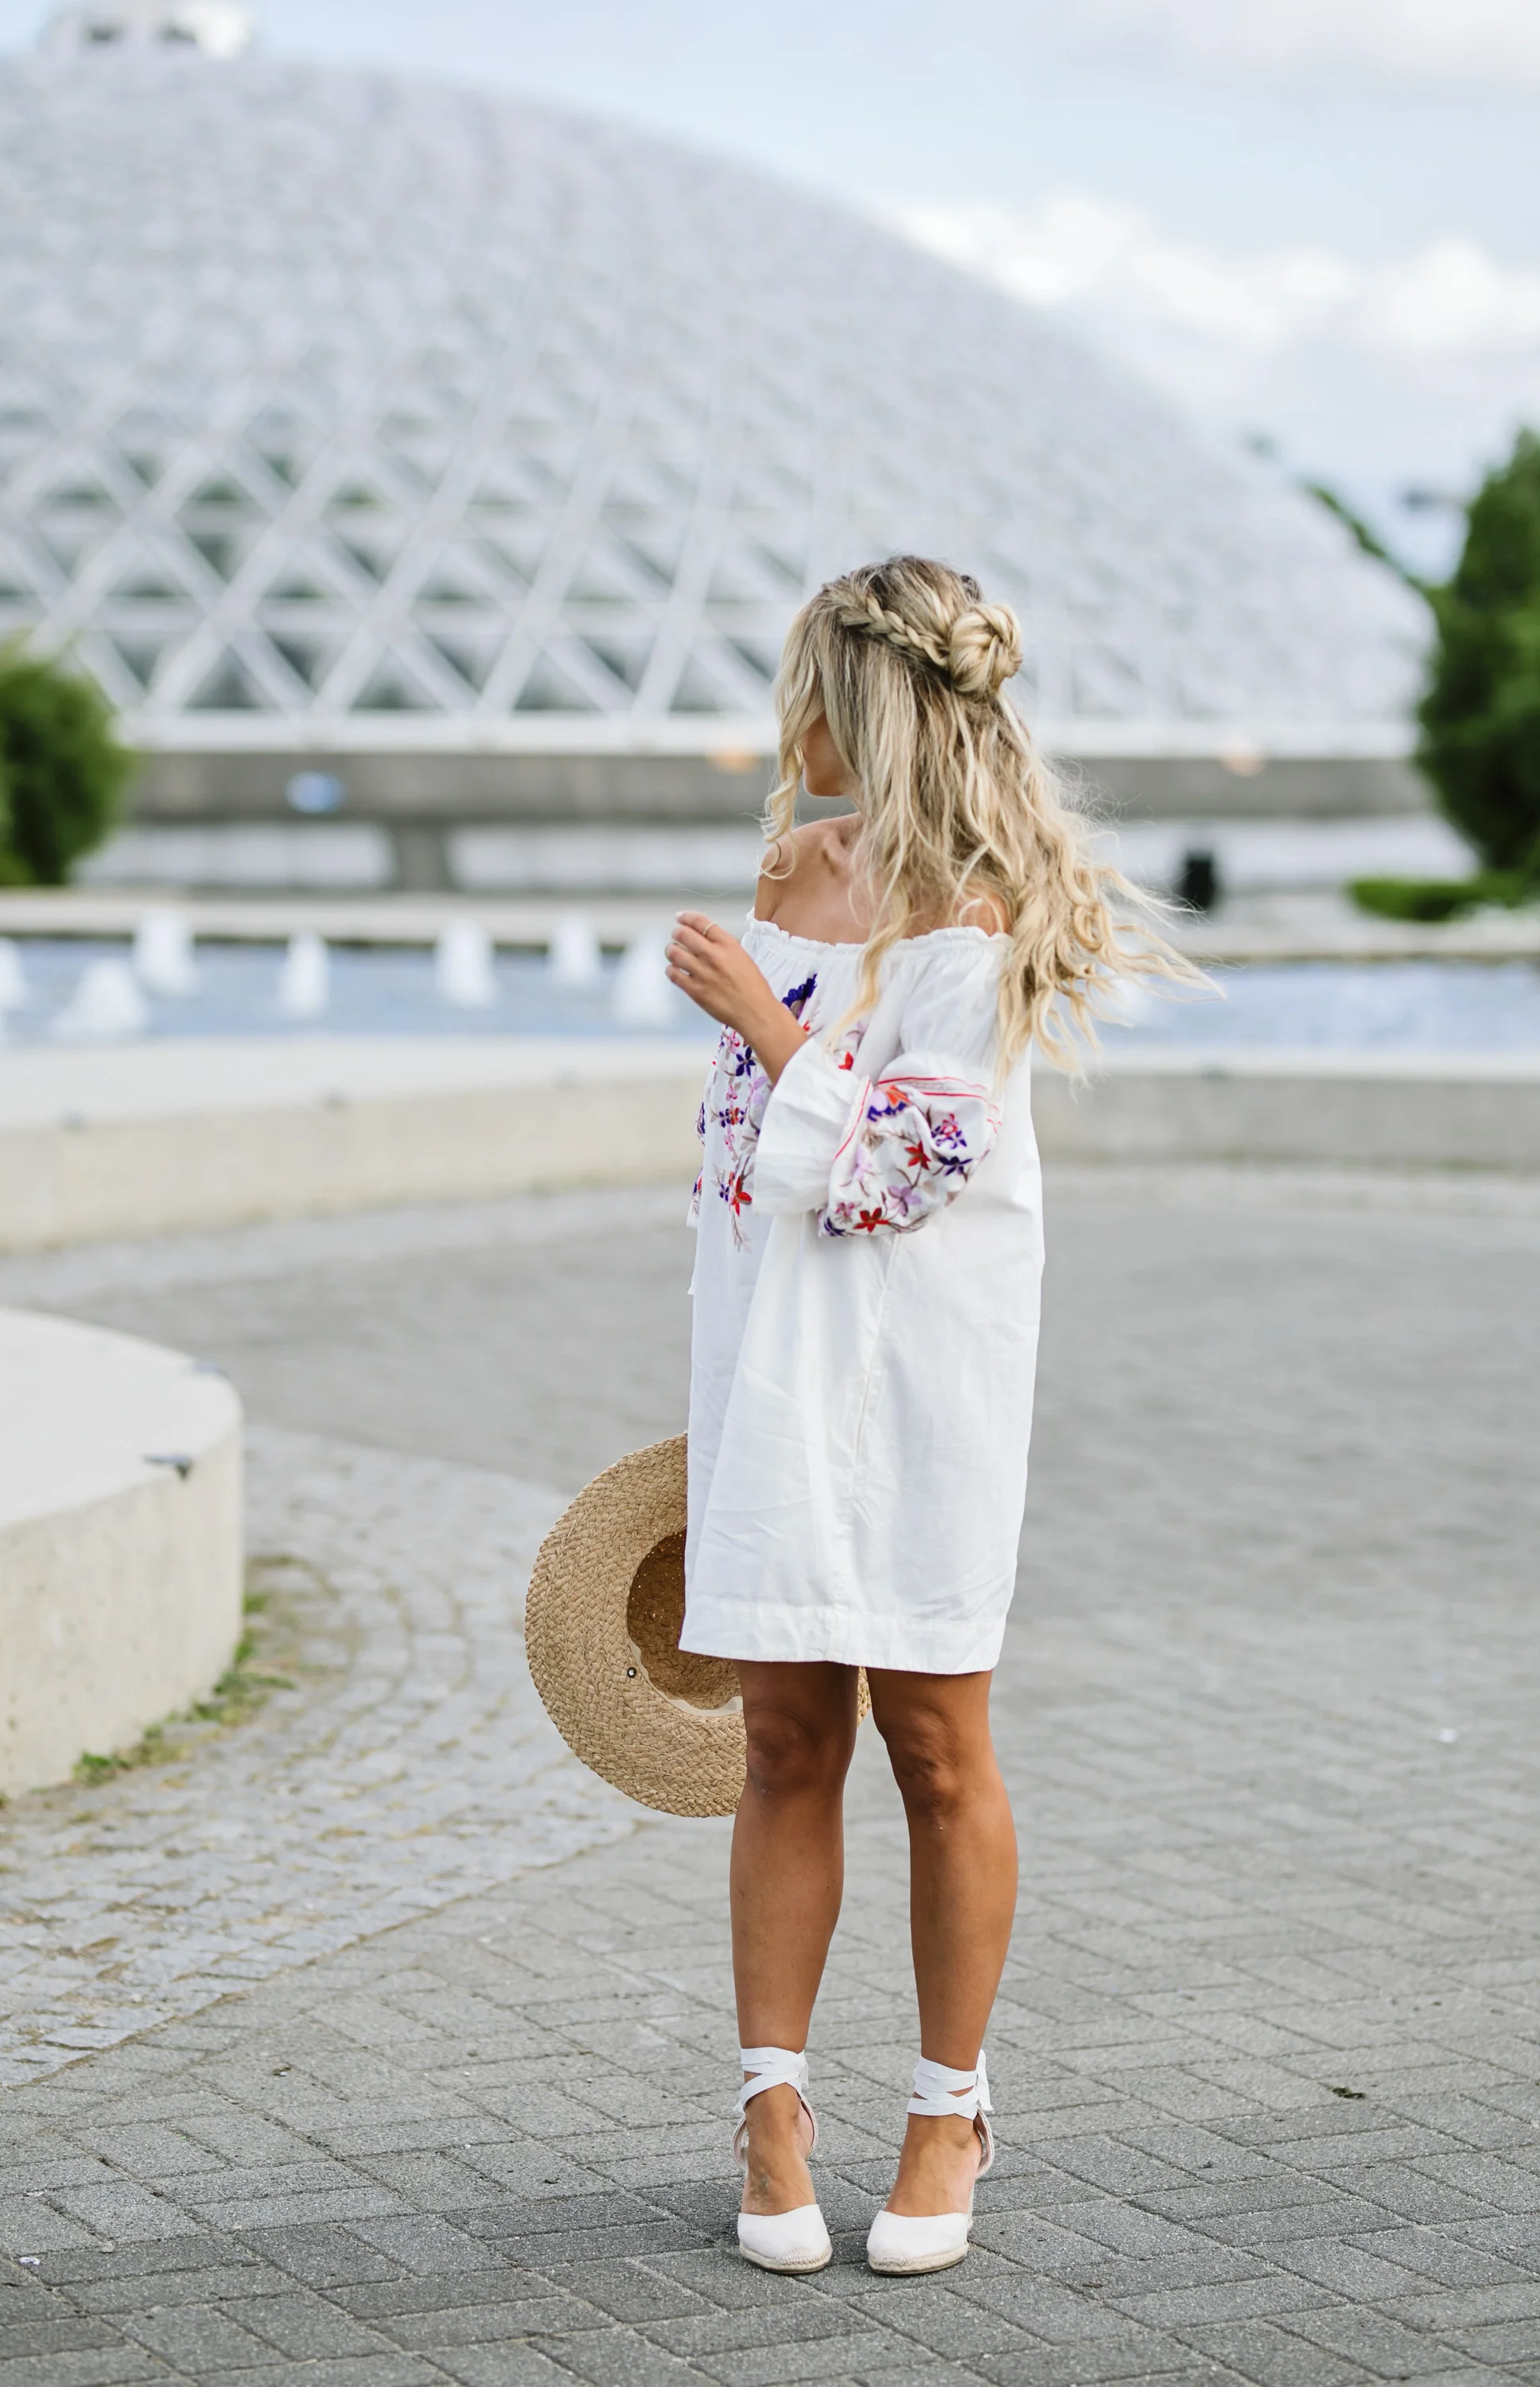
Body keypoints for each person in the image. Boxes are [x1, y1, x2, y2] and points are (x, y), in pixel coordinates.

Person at [666, 555, 1187, 2280]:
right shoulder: (786, 873)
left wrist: (765, 1023)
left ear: (863, 701)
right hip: (775, 1366)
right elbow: (738, 1179)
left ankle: (948, 2111)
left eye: (803, 688)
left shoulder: (975, 910)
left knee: (936, 1746)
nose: (786, 726)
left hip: (925, 1381)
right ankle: (770, 2109)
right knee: (781, 1740)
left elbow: (902, 1169)